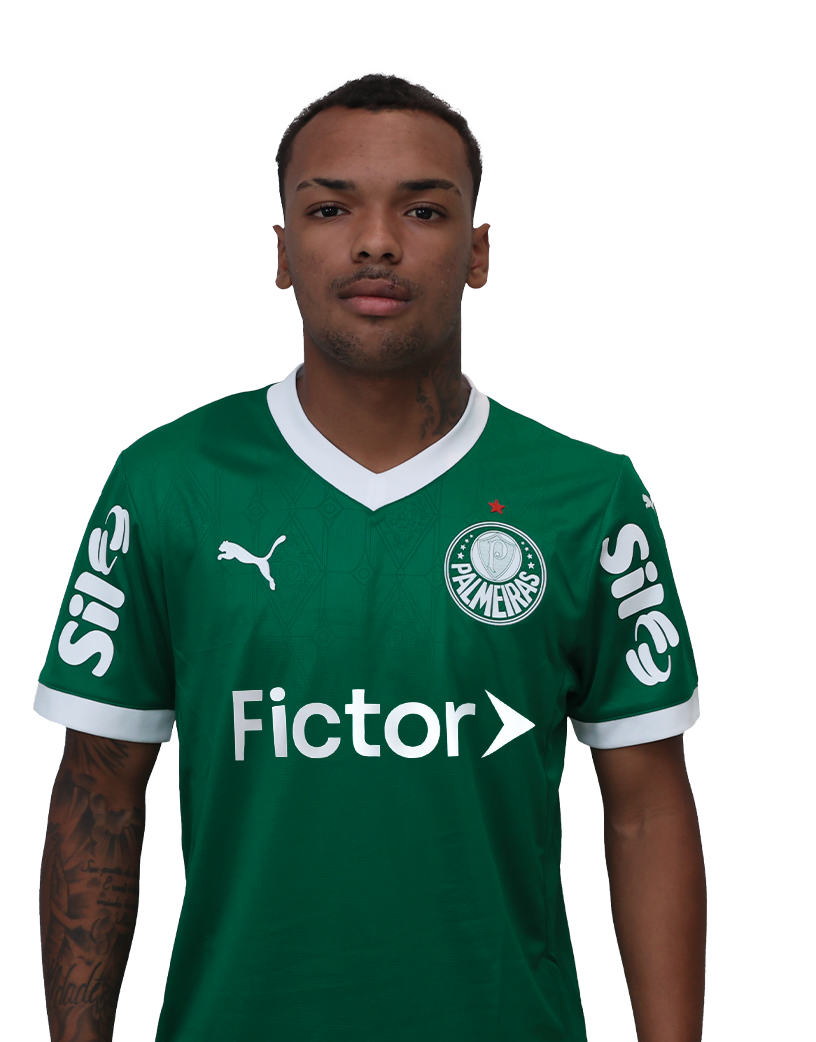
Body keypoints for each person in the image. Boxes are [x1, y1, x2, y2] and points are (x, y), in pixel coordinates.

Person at [36, 73, 705, 1042]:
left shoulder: (589, 497)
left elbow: (644, 811)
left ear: (479, 252)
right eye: (330, 207)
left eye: (423, 209)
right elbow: (99, 790)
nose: (377, 241)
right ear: (283, 252)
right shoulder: (166, 483)